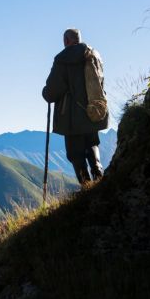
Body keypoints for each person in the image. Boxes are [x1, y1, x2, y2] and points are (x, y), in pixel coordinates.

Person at [42, 28, 108, 184]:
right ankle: (99, 175)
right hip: (94, 110)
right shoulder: (94, 55)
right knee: (92, 143)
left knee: (75, 153)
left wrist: (45, 93)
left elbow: (53, 90)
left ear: (66, 40)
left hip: (72, 115)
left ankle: (86, 186)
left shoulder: (63, 59)